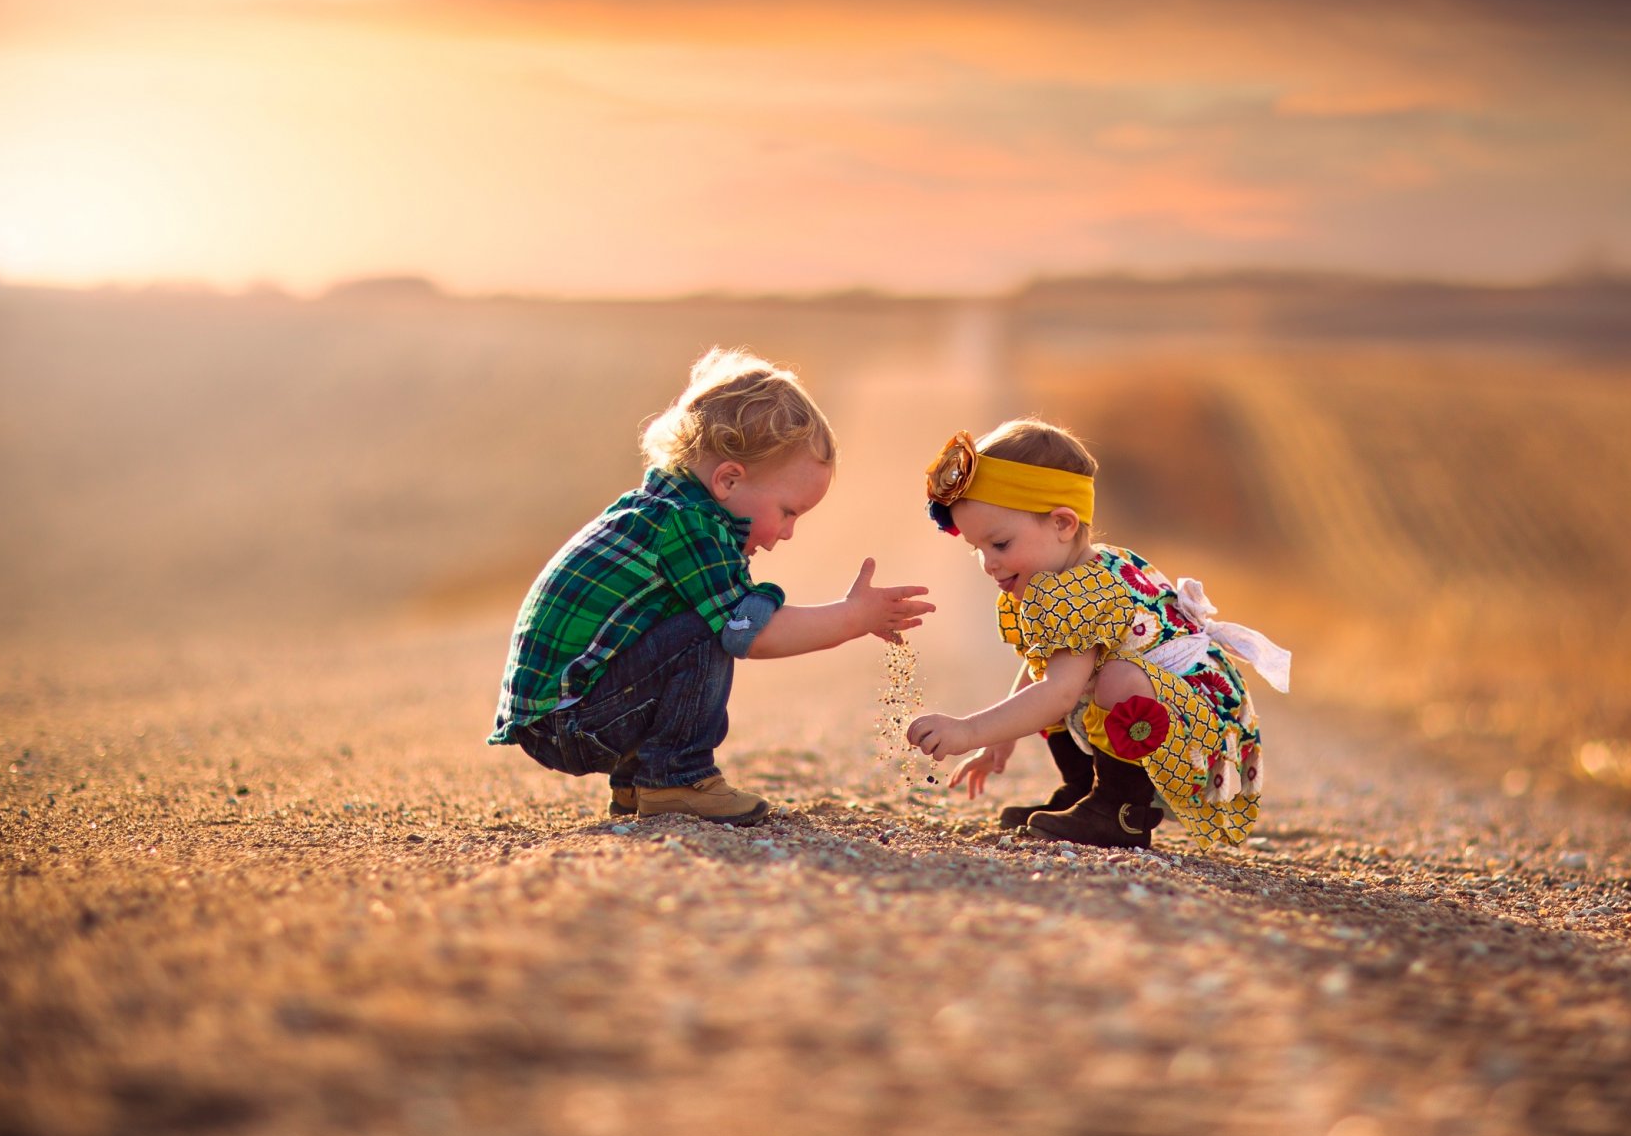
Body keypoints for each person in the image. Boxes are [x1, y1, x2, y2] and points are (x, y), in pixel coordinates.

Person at [489, 347, 932, 826]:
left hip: (561, 716)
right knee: (715, 625)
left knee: (689, 620)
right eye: (789, 511)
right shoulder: (690, 526)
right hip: (572, 724)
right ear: (728, 480)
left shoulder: (659, 509)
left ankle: (639, 784)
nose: (788, 533)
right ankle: (675, 779)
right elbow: (751, 632)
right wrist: (853, 617)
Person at [905, 419, 1288, 850]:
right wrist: (1001, 740)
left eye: (1000, 544)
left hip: (1193, 727)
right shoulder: (1070, 575)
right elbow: (1043, 669)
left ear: (1063, 524)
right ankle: (1085, 791)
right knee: (1076, 677)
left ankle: (1120, 811)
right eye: (977, 549)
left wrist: (970, 731)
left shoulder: (1084, 591)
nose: (989, 563)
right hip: (1166, 708)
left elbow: (1058, 693)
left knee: (1112, 678)